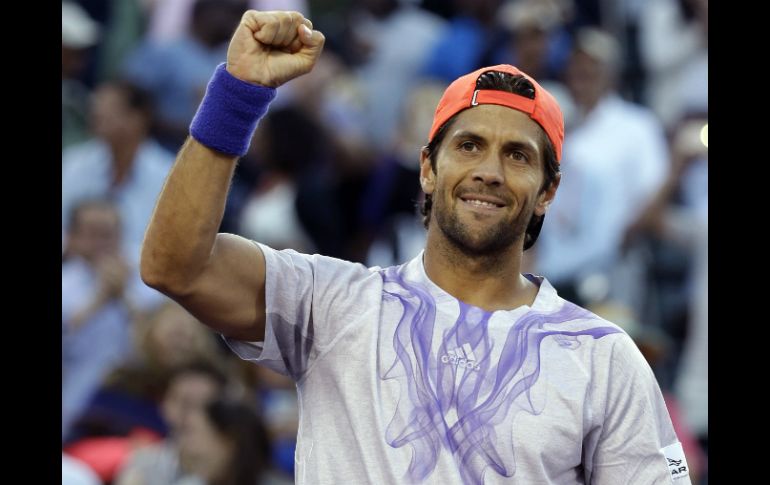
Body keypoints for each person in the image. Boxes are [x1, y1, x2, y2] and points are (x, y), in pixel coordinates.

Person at [141, 10, 692, 484]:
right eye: (469, 145)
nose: (490, 172)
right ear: (428, 168)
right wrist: (236, 95)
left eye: (518, 156)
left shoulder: (602, 355)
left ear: (548, 190)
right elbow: (175, 266)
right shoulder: (332, 303)